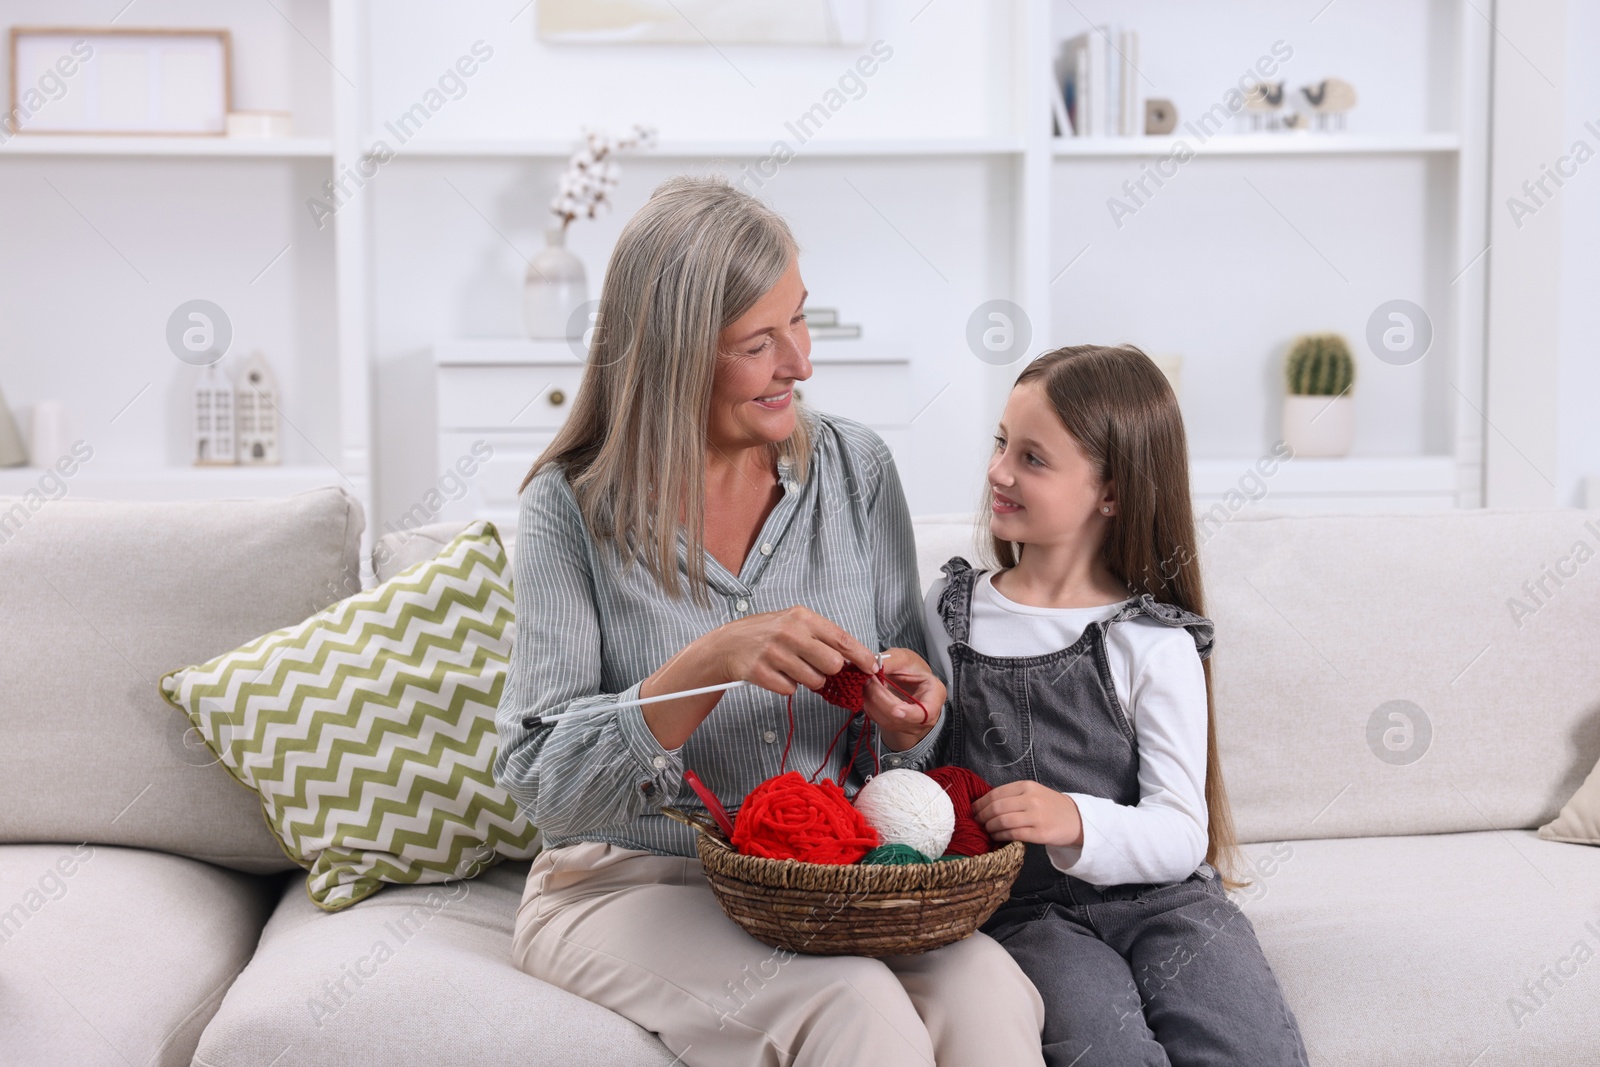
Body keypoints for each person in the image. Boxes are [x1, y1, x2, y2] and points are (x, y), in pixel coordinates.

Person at [495, 174, 1045, 1067]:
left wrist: (907, 714)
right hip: (626, 882)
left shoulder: (855, 467)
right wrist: (710, 662)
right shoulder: (573, 506)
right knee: (854, 1003)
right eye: (760, 341)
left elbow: (917, 742)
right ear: (675, 358)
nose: (801, 360)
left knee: (987, 988)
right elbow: (537, 780)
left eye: (800, 317)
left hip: (826, 878)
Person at [922, 345, 1309, 1066]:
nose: (999, 471)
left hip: (1167, 904)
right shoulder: (954, 612)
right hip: (1026, 915)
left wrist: (1073, 818)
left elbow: (1181, 832)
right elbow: (918, 769)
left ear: (1112, 493)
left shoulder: (1153, 639)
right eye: (1002, 443)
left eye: (1033, 458)